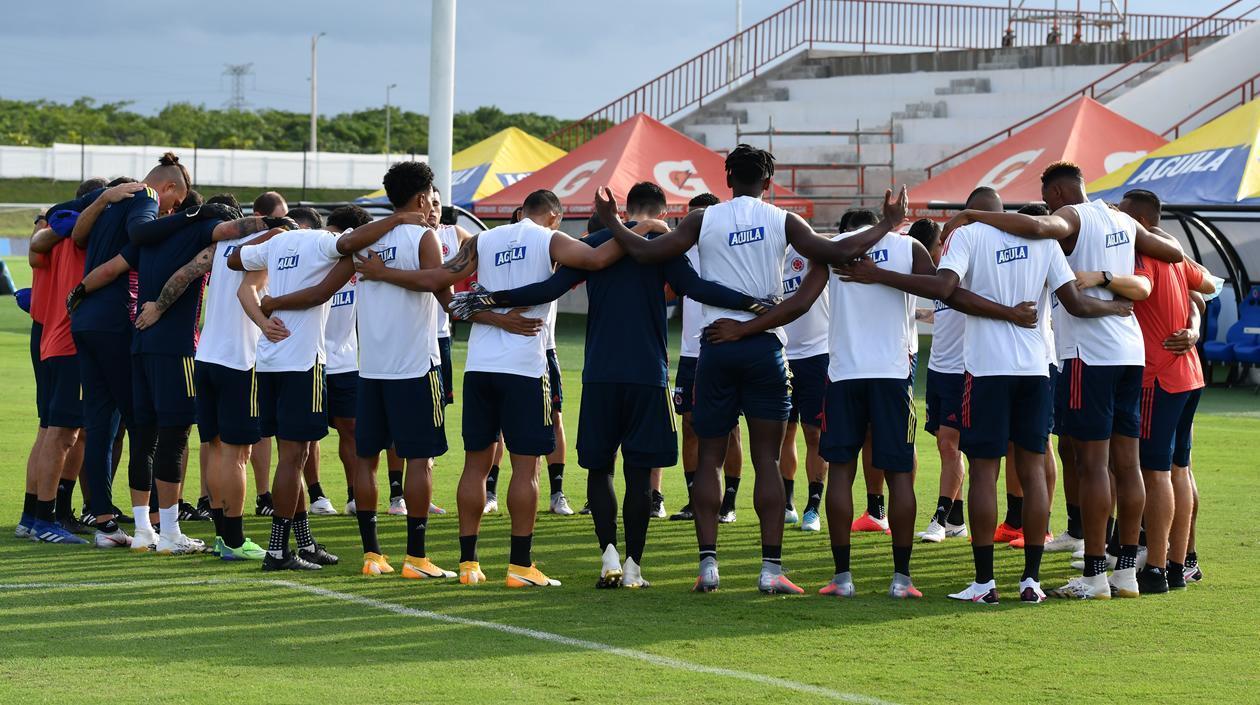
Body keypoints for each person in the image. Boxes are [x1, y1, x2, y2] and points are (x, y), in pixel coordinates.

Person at [595, 144, 918, 594]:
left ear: (727, 179)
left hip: (715, 345)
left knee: (710, 457)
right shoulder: (782, 219)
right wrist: (886, 223)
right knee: (768, 458)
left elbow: (648, 254)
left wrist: (612, 221)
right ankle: (770, 570)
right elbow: (834, 252)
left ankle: (709, 565)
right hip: (765, 346)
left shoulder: (703, 219)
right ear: (768, 182)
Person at [452, 181, 769, 588]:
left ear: (627, 207)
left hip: (599, 374)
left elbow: (549, 288)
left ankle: (609, 559)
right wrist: (751, 302)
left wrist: (488, 299)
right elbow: (696, 288)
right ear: (661, 212)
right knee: (639, 473)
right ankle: (634, 567)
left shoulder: (593, 243)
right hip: (647, 374)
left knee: (599, 468)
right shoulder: (662, 244)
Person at [843, 184, 1134, 603]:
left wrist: (878, 275)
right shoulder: (1044, 240)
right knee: (1033, 471)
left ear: (972, 211)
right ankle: (1031, 582)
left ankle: (984, 583)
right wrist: (1116, 307)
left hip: (986, 371)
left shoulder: (969, 235)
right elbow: (1074, 301)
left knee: (984, 471)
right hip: (1035, 370)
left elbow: (944, 288)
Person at [355, 188, 623, 588]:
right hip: (525, 367)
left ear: (521, 211)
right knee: (526, 467)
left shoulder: (483, 239)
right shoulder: (549, 238)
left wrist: (383, 274)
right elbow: (598, 258)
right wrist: (637, 228)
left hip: (479, 366)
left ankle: (469, 564)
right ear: (554, 216)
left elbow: (439, 281)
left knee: (475, 465)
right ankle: (520, 566)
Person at [945, 160, 1184, 599]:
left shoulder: (1073, 215)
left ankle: (1095, 575)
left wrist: (974, 214)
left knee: (1091, 465)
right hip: (1130, 350)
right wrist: (1117, 277)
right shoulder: (1121, 218)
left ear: (1055, 194)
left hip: (1088, 353)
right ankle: (1126, 572)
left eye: (1048, 200)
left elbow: (1039, 228)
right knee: (1127, 465)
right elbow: (1172, 252)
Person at [231, 206, 391, 570]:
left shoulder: (278, 243)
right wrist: (398, 219)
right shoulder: (324, 243)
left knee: (294, 457)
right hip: (303, 363)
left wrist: (271, 238)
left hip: (270, 360)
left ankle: (304, 542)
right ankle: (277, 551)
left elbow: (235, 259)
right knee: (294, 458)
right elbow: (323, 286)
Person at [47, 154, 190, 548]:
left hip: (86, 321)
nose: (171, 211)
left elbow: (75, 234)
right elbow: (141, 235)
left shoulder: (112, 201)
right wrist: (189, 224)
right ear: (167, 187)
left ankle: (105, 523)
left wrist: (102, 199)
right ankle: (156, 521)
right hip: (115, 322)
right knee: (143, 422)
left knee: (100, 423)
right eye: (175, 203)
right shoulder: (145, 198)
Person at [1119, 189, 1216, 593]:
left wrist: (1101, 280)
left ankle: (1156, 569)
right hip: (1188, 375)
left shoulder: (1144, 254)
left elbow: (1144, 289)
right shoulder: (1173, 250)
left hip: (1158, 377)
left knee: (1155, 472)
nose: (1117, 220)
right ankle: (1181, 563)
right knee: (1180, 468)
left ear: (1140, 221)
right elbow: (1205, 286)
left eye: (1123, 214)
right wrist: (1193, 326)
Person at [668, 193, 744, 525]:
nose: (694, 223)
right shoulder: (680, 250)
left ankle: (729, 503)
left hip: (724, 346)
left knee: (731, 428)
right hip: (690, 353)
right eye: (690, 217)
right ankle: (693, 500)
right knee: (689, 426)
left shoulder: (729, 248)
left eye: (700, 217)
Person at [911, 215, 970, 543]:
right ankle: (956, 521)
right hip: (938, 369)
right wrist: (918, 314)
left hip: (961, 371)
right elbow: (946, 315)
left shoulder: (962, 271)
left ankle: (940, 518)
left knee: (950, 444)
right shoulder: (937, 278)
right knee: (945, 445)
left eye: (931, 247)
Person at [778, 220, 833, 533]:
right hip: (781, 354)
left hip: (816, 355)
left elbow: (834, 243)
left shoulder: (812, 250)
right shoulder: (769, 256)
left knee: (814, 433)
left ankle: (813, 506)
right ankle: (787, 502)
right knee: (784, 431)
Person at [249, 191, 289, 517]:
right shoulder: (262, 250)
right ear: (259, 217)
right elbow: (247, 290)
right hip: (254, 352)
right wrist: (264, 322)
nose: (283, 227)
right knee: (260, 432)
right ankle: (264, 496)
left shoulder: (235, 247)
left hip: (262, 351)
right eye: (278, 219)